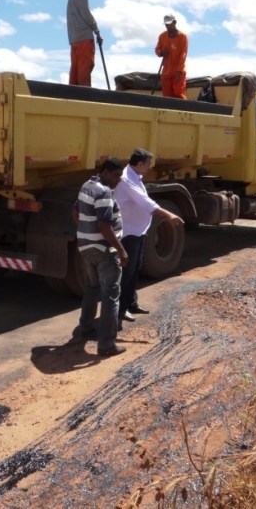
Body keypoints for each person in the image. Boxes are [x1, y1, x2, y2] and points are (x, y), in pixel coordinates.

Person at [113, 148, 184, 323]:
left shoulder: (135, 176)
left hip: (137, 230)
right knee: (127, 272)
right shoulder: (126, 180)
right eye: (148, 164)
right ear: (139, 164)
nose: (150, 167)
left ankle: (131, 303)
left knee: (135, 269)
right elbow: (146, 203)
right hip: (128, 233)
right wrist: (168, 214)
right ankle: (121, 310)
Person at [74, 157, 129, 357]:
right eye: (115, 175)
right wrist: (121, 250)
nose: (118, 180)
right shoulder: (104, 192)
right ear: (105, 172)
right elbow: (104, 227)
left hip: (85, 247)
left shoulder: (87, 185)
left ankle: (86, 328)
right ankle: (106, 345)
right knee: (111, 296)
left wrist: (85, 234)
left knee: (91, 287)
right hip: (104, 251)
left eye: (120, 177)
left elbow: (75, 213)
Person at [67, 0, 103, 87]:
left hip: (74, 40)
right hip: (84, 40)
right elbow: (87, 15)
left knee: (75, 74)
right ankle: (85, 100)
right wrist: (97, 31)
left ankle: (72, 98)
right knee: (84, 74)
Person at [155, 14, 189, 100]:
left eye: (169, 24)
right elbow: (157, 49)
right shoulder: (162, 36)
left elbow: (183, 54)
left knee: (178, 94)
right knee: (167, 97)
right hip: (166, 72)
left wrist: (179, 70)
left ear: (175, 22)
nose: (168, 26)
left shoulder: (182, 36)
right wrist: (161, 52)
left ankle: (183, 111)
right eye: (166, 24)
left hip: (178, 72)